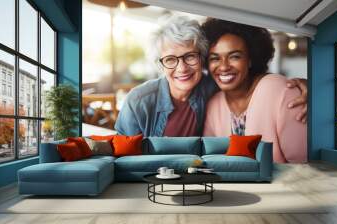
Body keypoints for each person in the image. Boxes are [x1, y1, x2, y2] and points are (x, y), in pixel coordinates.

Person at [115, 16, 307, 138]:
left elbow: (249, 79)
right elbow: (123, 156)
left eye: (190, 56)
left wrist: (303, 86)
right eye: (171, 59)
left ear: (202, 58)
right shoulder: (138, 102)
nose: (182, 68)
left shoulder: (210, 87)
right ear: (160, 64)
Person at [202, 18, 307, 163]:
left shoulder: (278, 90)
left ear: (250, 59)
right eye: (215, 58)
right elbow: (213, 161)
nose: (224, 66)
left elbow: (305, 165)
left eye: (234, 57)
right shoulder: (214, 104)